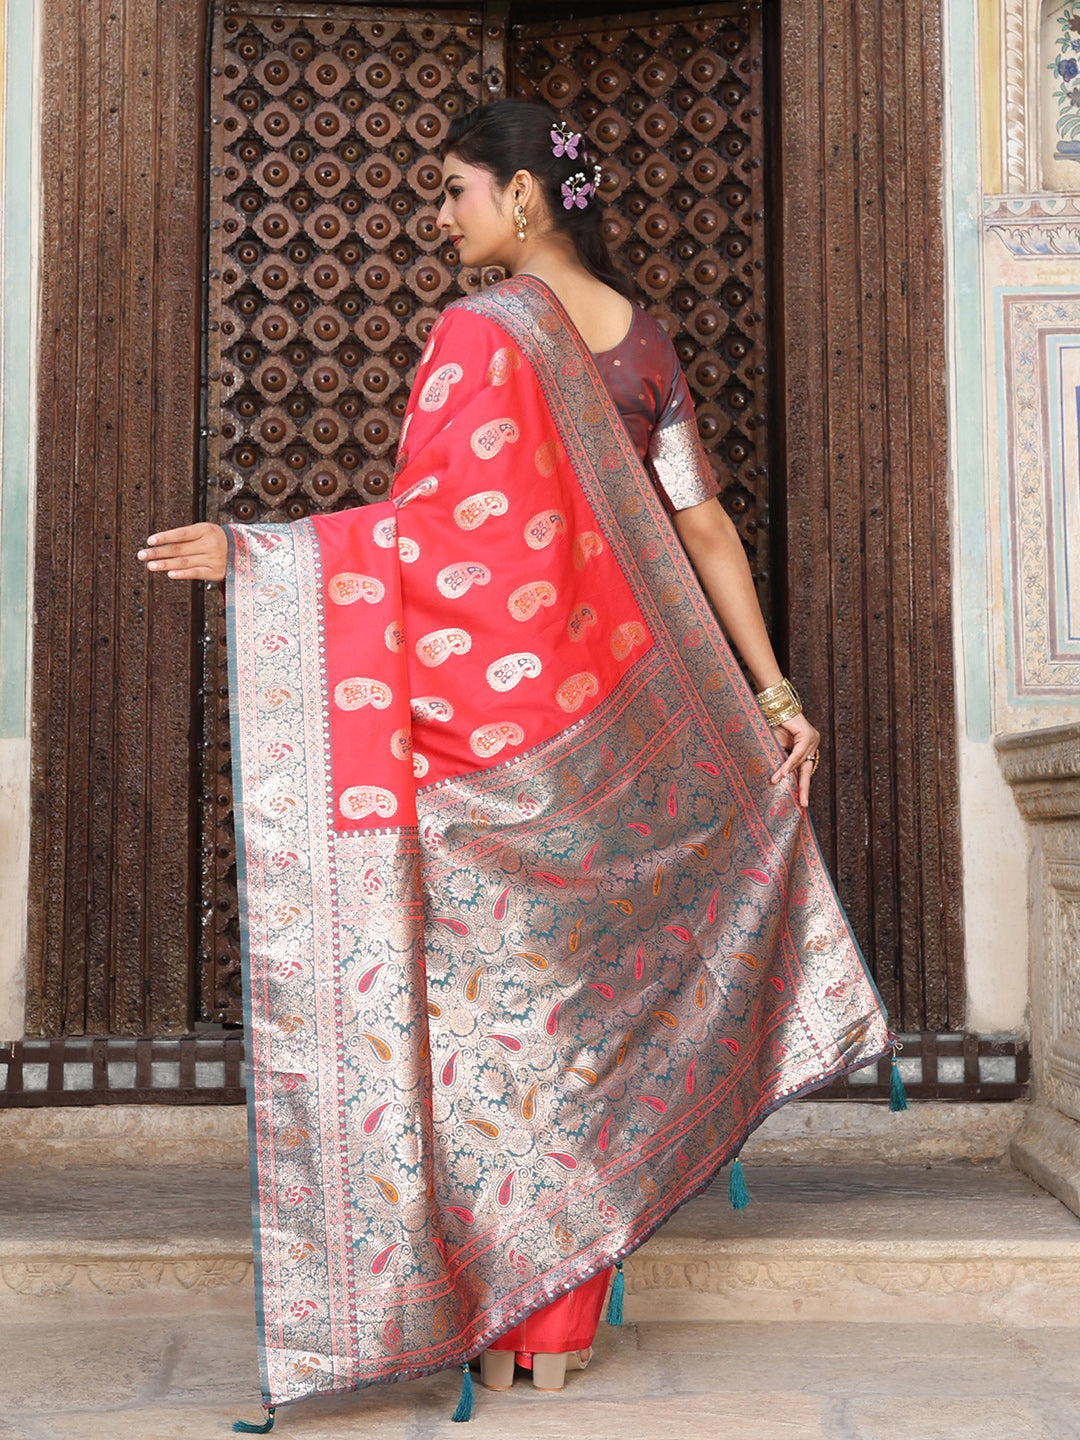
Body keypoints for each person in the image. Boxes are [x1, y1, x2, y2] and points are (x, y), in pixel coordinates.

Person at [140, 100, 890, 1428]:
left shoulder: (481, 334)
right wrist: (770, 691)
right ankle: (556, 1333)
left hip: (494, 748)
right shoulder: (645, 343)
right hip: (626, 745)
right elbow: (703, 530)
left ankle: (497, 1323)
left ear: (527, 200)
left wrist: (259, 551)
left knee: (494, 1029)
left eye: (456, 193)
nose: (443, 219)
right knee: (592, 1027)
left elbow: (430, 535)